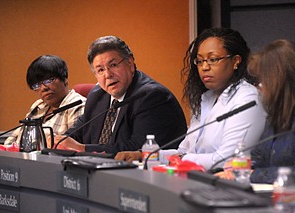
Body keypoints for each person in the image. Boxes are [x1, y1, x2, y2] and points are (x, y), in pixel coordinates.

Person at [115, 28, 266, 170]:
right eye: (200, 61)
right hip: (195, 179)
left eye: (213, 59)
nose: (204, 67)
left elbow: (227, 160)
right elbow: (184, 150)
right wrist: (145, 156)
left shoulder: (247, 99)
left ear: (236, 61)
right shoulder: (207, 98)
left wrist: (182, 158)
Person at [52, 35, 187, 154]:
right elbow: (77, 133)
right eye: (100, 70)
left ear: (130, 63)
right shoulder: (97, 95)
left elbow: (136, 148)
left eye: (114, 65)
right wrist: (59, 140)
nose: (108, 75)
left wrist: (83, 148)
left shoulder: (152, 97)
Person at [4, 55, 86, 147]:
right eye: (37, 85)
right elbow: (12, 140)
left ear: (65, 79)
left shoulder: (78, 105)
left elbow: (70, 147)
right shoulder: (38, 106)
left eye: (48, 80)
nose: (43, 88)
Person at [247, 39, 295, 184]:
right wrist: (240, 168)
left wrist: (255, 175)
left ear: (277, 80)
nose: (259, 87)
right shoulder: (276, 117)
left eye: (262, 80)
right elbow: (258, 156)